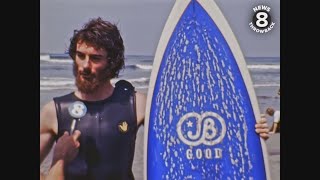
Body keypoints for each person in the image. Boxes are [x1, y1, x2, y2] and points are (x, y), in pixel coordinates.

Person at [40, 17, 270, 180]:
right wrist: (58, 162)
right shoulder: (54, 111)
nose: (85, 66)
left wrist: (251, 130)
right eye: (80, 56)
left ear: (112, 62)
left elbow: (198, 131)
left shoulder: (137, 105)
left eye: (95, 58)